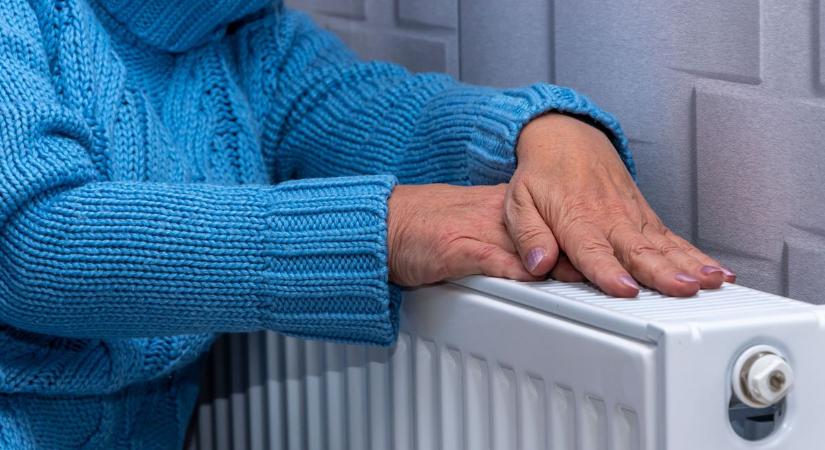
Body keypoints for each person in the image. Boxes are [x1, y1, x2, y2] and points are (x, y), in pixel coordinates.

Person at [0, 0, 734, 447]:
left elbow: (388, 112)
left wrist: (547, 131)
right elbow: (33, 241)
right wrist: (383, 227)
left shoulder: (250, 37)